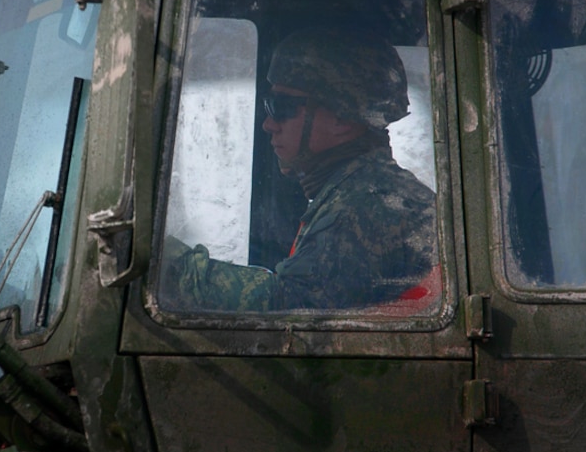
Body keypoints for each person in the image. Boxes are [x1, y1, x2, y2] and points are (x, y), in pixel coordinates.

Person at [163, 26, 437, 312]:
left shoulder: (368, 206)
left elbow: (291, 308)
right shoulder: (360, 189)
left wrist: (169, 265)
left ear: (342, 120)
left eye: (282, 107)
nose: (268, 125)